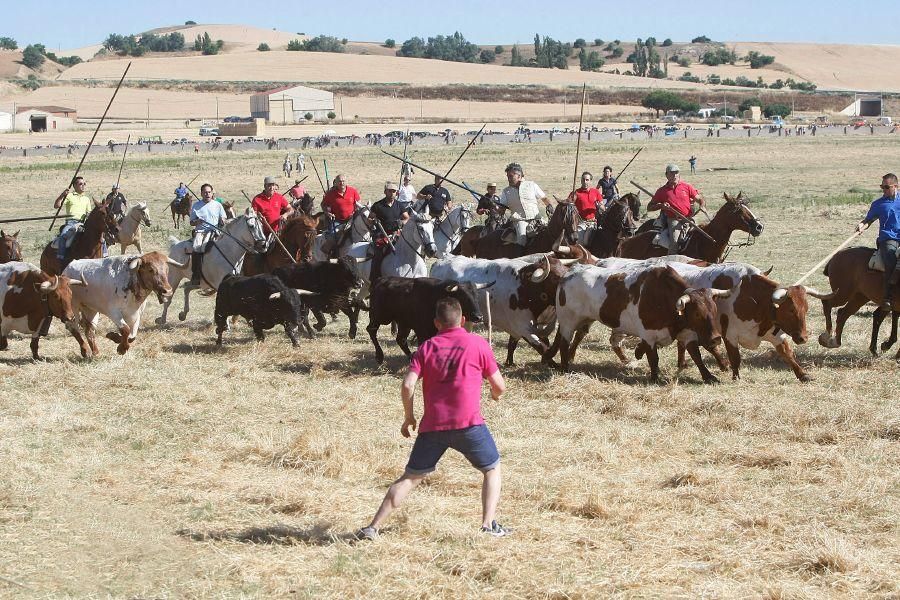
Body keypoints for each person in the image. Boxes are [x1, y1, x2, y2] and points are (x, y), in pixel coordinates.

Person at [357, 297, 508, 541]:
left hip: (433, 427)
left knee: (410, 478)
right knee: (492, 469)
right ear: (464, 320)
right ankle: (488, 526)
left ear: (436, 323)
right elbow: (499, 386)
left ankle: (372, 527)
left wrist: (409, 417)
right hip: (469, 424)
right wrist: (494, 394)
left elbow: (408, 385)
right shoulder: (477, 344)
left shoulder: (426, 348)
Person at [857, 173, 900, 309]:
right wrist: (861, 226)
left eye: (887, 187)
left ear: (896, 186)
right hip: (888, 239)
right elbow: (868, 220)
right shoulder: (878, 204)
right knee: (891, 259)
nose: (884, 190)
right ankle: (887, 297)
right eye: (882, 187)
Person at [647, 164, 705, 255]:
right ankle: (671, 262)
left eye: (676, 173)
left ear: (679, 175)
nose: (674, 176)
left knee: (700, 236)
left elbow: (699, 198)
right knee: (674, 243)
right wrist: (661, 206)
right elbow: (649, 207)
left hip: (689, 219)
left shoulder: (687, 187)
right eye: (672, 173)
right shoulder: (661, 191)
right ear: (666, 175)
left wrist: (702, 205)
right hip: (674, 220)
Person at [499, 162, 550, 248]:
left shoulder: (532, 185)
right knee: (522, 239)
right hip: (520, 221)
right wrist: (495, 207)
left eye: (511, 176)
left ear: (519, 176)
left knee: (550, 232)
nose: (509, 179)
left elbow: (544, 198)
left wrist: (549, 205)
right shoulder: (506, 191)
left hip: (537, 218)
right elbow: (501, 210)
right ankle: (519, 258)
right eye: (508, 177)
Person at [367, 182, 410, 281]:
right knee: (378, 255)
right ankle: (375, 279)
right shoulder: (377, 205)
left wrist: (401, 222)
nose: (392, 193)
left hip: (396, 235)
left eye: (394, 191)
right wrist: (374, 221)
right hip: (381, 235)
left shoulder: (399, 205)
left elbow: (407, 218)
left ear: (397, 193)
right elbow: (368, 220)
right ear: (385, 192)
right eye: (389, 191)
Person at [188, 183, 228, 285]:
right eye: (205, 192)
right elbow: (191, 222)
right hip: (201, 232)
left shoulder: (217, 205)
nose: (207, 194)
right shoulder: (196, 206)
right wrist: (197, 222)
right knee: (197, 248)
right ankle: (196, 274)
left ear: (212, 193)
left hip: (215, 231)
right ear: (201, 193)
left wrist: (223, 220)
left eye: (209, 192)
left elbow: (223, 217)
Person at [53, 176, 99, 263]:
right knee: (63, 237)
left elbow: (88, 213)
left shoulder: (86, 199)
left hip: (83, 223)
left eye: (84, 183)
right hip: (71, 223)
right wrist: (62, 195)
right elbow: (56, 206)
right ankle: (61, 259)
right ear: (74, 186)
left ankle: (103, 256)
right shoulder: (69, 196)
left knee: (100, 237)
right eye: (80, 184)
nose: (83, 185)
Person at [321, 174, 362, 256]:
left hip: (351, 220)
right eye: (339, 181)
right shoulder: (330, 194)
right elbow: (323, 205)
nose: (342, 183)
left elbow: (358, 202)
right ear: (335, 182)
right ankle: (332, 254)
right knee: (334, 236)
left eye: (343, 181)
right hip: (337, 221)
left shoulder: (352, 191)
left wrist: (356, 211)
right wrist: (327, 213)